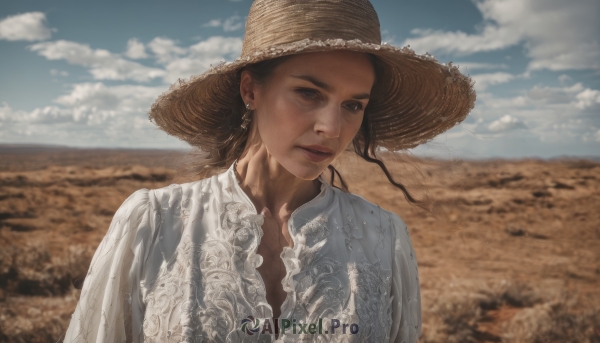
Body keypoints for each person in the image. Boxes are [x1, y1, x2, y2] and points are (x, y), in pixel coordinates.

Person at [63, 0, 475, 342]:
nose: (331, 128)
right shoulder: (154, 223)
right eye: (308, 93)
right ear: (250, 90)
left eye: (353, 105)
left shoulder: (383, 237)